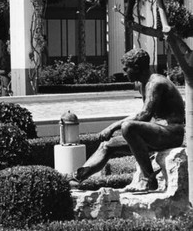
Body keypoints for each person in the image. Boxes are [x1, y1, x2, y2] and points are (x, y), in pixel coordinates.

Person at [71, 48, 185, 192]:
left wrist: (113, 126)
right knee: (107, 146)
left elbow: (144, 115)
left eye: (126, 69)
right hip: (158, 133)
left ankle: (149, 179)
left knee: (128, 127)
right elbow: (143, 115)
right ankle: (76, 179)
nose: (125, 73)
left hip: (172, 133)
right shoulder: (141, 84)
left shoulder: (156, 83)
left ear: (136, 67)